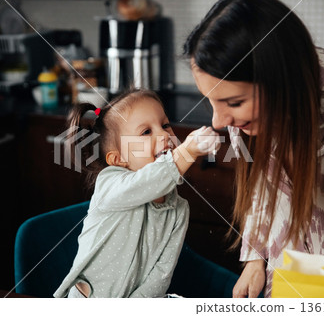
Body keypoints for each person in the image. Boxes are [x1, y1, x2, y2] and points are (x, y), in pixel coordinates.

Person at [183, 0, 324, 298]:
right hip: (290, 289)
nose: (219, 121)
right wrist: (255, 259)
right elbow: (259, 189)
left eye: (234, 102)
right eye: (210, 99)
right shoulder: (244, 122)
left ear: (283, 80)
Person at [54, 89, 221, 298]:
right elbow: (146, 182)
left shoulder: (178, 210)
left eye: (165, 124)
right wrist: (186, 152)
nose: (164, 135)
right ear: (118, 160)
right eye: (146, 132)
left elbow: (160, 275)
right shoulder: (109, 184)